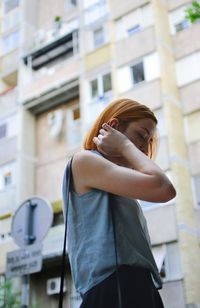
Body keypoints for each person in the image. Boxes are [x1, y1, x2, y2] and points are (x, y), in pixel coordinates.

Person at [62, 98, 176, 308]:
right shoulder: (84, 160)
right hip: (114, 285)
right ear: (113, 127)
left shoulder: (117, 183)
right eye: (141, 135)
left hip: (137, 285)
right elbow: (165, 188)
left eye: (148, 142)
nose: (143, 148)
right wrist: (124, 145)